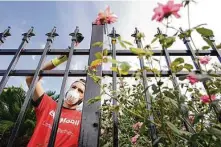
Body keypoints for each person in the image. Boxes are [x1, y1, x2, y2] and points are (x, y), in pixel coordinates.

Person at [26, 54, 85, 147]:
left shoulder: (83, 119)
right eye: (73, 87)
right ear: (69, 89)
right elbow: (30, 79)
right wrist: (60, 59)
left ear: (83, 97)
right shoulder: (48, 104)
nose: (75, 91)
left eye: (80, 91)